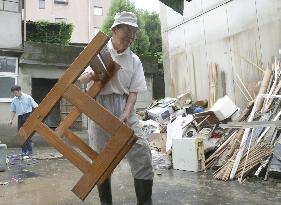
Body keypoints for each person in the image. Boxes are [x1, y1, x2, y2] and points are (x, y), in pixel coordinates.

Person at [79, 11, 154, 205]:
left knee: (142, 151)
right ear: (115, 29)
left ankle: (144, 202)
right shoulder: (99, 52)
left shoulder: (134, 60)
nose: (132, 36)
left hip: (124, 105)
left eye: (134, 32)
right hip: (99, 105)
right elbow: (81, 78)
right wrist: (93, 75)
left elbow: (134, 91)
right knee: (102, 158)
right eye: (128, 30)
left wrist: (127, 113)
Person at [8, 85, 38, 156]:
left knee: (27, 133)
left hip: (28, 115)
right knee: (21, 134)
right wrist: (10, 120)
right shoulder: (14, 100)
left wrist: (35, 117)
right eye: (13, 93)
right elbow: (13, 111)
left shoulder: (28, 97)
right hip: (20, 117)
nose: (14, 94)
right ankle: (24, 151)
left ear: (19, 91)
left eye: (15, 93)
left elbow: (36, 106)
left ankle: (29, 151)